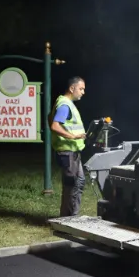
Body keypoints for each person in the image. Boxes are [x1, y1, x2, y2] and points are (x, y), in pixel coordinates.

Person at [50, 77, 87, 217]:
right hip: (67, 152)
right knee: (71, 186)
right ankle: (68, 219)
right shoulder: (65, 105)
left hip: (72, 151)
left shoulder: (65, 103)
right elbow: (55, 125)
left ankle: (71, 217)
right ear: (72, 88)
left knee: (79, 183)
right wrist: (72, 136)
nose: (83, 92)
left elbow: (50, 118)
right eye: (81, 89)